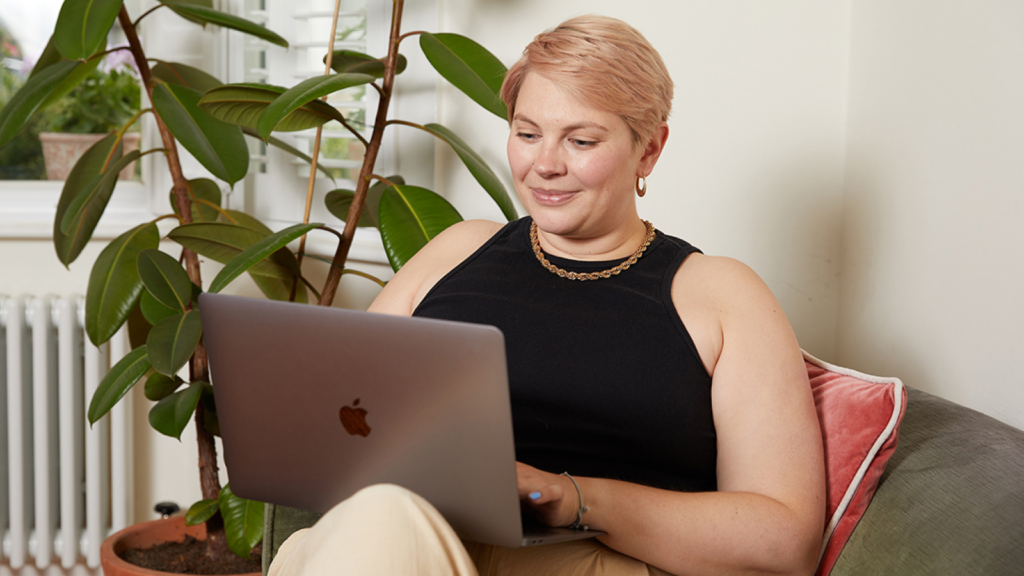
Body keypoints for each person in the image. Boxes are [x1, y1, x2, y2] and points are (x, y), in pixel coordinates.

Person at [269, 15, 825, 576]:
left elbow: (784, 541)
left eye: (581, 140)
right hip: (404, 535)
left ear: (649, 151)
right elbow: (341, 413)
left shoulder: (718, 293)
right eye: (527, 133)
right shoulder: (459, 249)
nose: (545, 165)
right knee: (378, 519)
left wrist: (570, 497)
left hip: (582, 560)